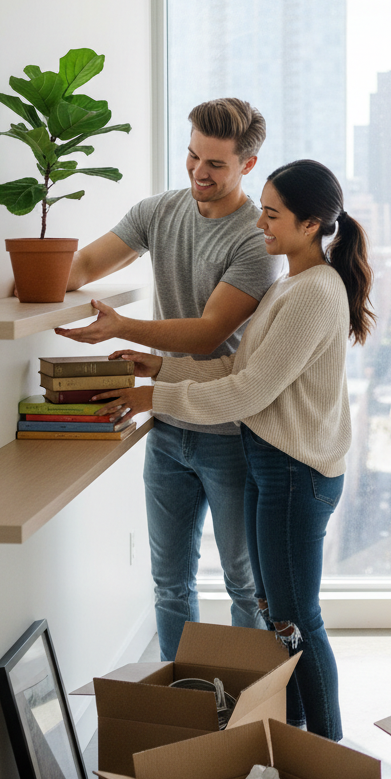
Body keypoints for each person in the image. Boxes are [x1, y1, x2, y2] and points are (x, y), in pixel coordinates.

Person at [95, 159, 375, 741]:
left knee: (299, 618)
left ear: (311, 225)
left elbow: (246, 391)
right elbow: (235, 364)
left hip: (296, 475)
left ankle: (327, 748)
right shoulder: (292, 285)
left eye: (272, 215)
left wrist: (156, 394)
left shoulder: (314, 294)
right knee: (280, 615)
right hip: (275, 470)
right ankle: (294, 731)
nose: (260, 225)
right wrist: (161, 367)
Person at [54, 98, 282, 660]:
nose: (199, 172)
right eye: (192, 155)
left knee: (245, 588)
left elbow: (208, 334)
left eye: (216, 164)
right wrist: (21, 286)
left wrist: (121, 327)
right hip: (167, 427)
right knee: (170, 584)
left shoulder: (255, 241)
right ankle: (182, 704)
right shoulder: (159, 211)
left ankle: (248, 712)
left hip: (230, 432)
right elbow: (83, 266)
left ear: (247, 166)